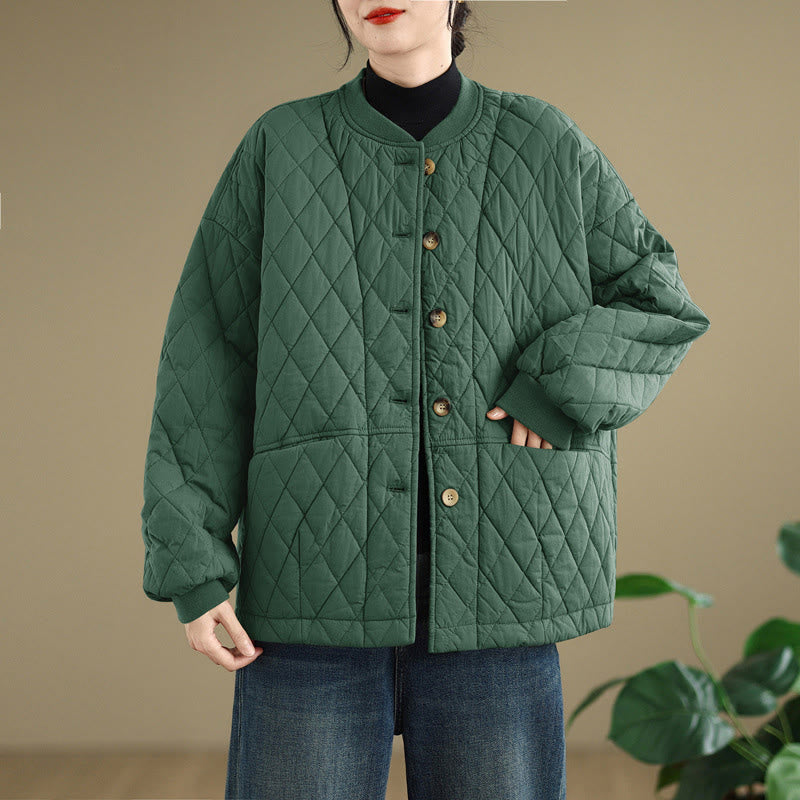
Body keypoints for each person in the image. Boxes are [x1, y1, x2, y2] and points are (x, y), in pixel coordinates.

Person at [139, 2, 711, 798]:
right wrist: (193, 567)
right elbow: (206, 361)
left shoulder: (544, 143)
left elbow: (659, 299)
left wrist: (556, 389)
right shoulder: (281, 145)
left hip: (502, 586)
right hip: (313, 586)